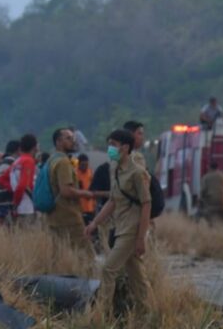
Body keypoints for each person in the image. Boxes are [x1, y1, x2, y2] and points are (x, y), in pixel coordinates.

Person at [85, 129, 154, 315]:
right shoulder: (115, 170)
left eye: (113, 145)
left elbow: (146, 204)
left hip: (132, 230)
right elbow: (113, 201)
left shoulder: (137, 173)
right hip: (120, 227)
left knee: (108, 269)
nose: (110, 149)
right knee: (136, 274)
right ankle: (147, 312)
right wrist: (94, 223)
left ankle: (101, 315)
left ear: (125, 147)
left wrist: (141, 237)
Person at [47, 128, 96, 259]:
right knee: (87, 255)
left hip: (54, 215)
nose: (73, 141)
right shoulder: (63, 162)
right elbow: (66, 191)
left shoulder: (52, 160)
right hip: (69, 215)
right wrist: (86, 194)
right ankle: (90, 279)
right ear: (58, 142)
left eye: (73, 138)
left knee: (59, 256)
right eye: (68, 138)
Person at [9, 134, 38, 223]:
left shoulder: (16, 162)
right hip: (27, 207)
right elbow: (23, 185)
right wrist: (16, 202)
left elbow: (1, 179)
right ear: (34, 147)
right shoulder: (29, 161)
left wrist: (15, 200)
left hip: (19, 206)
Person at [0, 140, 20, 224]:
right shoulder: (9, 162)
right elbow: (0, 180)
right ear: (17, 150)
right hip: (7, 202)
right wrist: (14, 189)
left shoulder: (1, 163)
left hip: (2, 202)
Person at [76, 154, 95, 226]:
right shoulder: (75, 173)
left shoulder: (90, 172)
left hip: (90, 207)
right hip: (79, 208)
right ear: (79, 164)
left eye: (87, 164)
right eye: (83, 164)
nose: (85, 166)